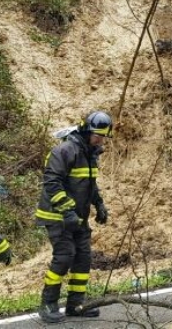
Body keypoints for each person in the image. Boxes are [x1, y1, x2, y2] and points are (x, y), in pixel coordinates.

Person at [36, 111, 112, 323]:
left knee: (83, 257)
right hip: (57, 215)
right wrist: (67, 211)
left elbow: (90, 183)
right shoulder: (65, 150)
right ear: (87, 131)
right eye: (97, 135)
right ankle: (48, 303)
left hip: (78, 217)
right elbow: (52, 182)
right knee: (65, 256)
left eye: (103, 137)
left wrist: (99, 204)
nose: (100, 140)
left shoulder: (90, 154)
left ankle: (76, 304)